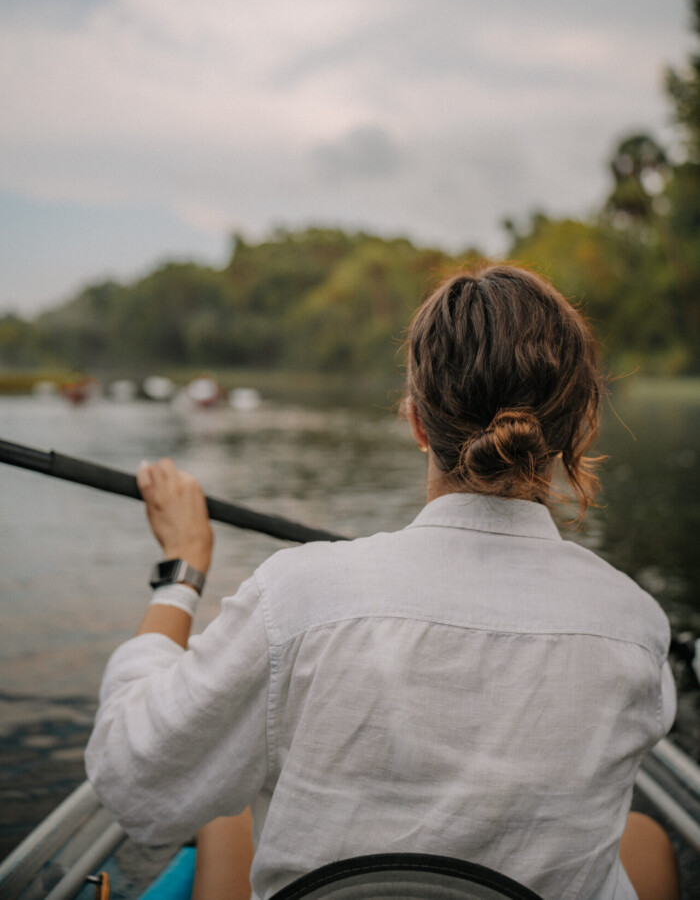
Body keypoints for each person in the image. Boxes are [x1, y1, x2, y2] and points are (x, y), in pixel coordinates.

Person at [85, 264, 680, 900]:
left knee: (232, 796)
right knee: (644, 840)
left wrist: (182, 569)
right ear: (575, 433)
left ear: (417, 422)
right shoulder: (635, 627)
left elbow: (132, 779)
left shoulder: (295, 596)